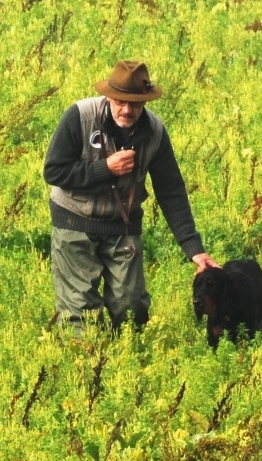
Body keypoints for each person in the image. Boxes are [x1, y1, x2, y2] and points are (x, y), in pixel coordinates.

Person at [44, 60, 218, 335]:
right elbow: (54, 171)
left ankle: (126, 359)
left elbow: (171, 190)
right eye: (120, 102)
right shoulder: (79, 116)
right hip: (74, 221)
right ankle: (86, 366)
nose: (127, 110)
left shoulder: (155, 132)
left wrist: (194, 249)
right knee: (82, 318)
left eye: (135, 104)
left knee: (131, 311)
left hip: (122, 227)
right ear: (109, 97)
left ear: (145, 101)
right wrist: (106, 168)